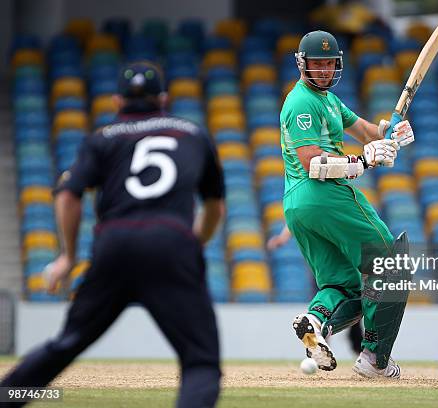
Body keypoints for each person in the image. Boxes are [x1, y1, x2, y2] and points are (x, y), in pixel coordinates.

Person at [0, 61, 224, 408]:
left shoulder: (102, 137)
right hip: (171, 240)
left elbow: (67, 194)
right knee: (201, 362)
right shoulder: (193, 133)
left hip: (114, 243)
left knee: (67, 343)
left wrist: (68, 256)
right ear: (163, 98)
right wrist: (194, 242)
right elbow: (214, 206)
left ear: (117, 102)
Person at [280, 30, 414, 378]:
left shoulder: (329, 100)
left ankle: (316, 321)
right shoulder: (301, 102)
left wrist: (391, 133)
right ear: (302, 64)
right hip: (323, 194)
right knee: (389, 261)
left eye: (329, 63)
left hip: (299, 207)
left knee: (344, 285)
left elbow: (369, 132)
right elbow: (313, 162)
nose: (324, 70)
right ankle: (375, 360)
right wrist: (365, 161)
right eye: (317, 64)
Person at [266, 225, 364, 355]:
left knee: (329, 305)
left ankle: (321, 341)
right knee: (352, 304)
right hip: (338, 265)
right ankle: (356, 350)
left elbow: (299, 216)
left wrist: (282, 238)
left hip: (323, 267)